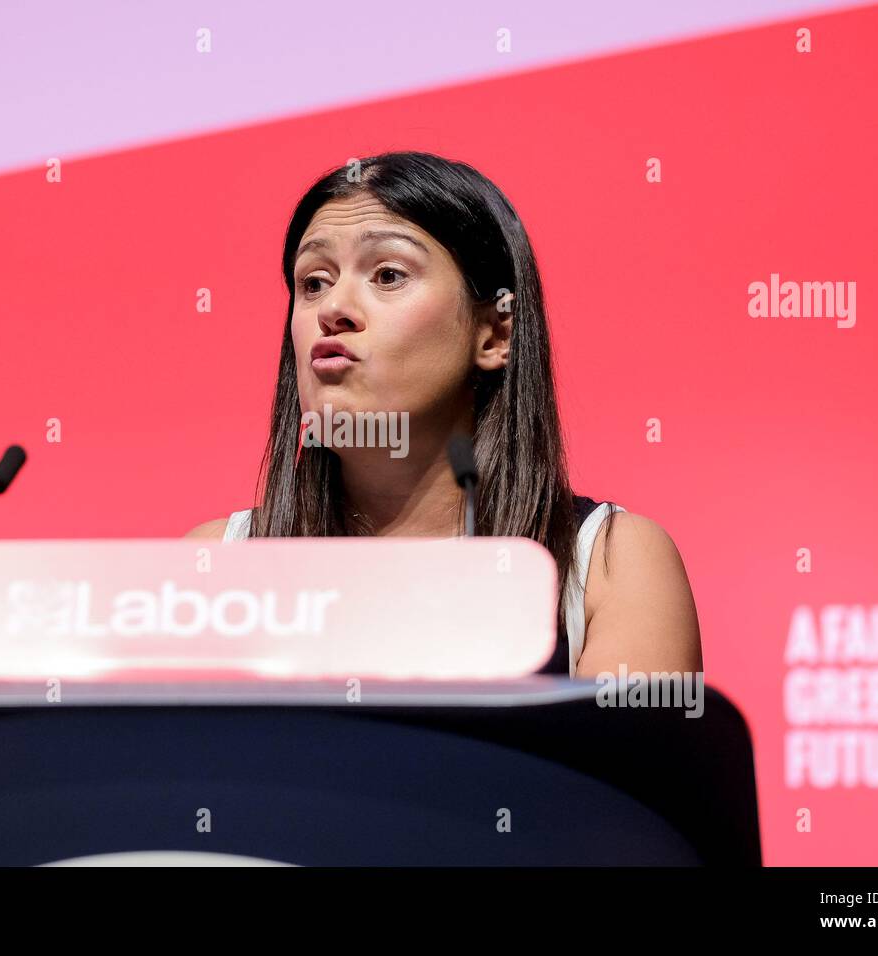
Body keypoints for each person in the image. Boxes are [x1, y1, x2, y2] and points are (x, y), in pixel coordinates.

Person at [187, 151, 701, 678]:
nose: (331, 308)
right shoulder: (214, 568)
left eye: (387, 274)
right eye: (313, 282)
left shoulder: (610, 566)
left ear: (494, 333)